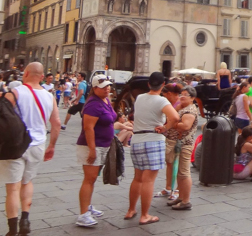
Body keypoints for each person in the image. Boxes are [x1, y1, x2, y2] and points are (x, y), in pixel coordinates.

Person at [0, 62, 60, 236]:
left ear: (25, 74)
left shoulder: (15, 93)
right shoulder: (49, 97)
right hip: (38, 145)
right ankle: (25, 218)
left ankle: (12, 229)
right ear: (41, 77)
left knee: (13, 188)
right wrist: (52, 146)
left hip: (14, 145)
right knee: (27, 182)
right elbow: (56, 124)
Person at [125, 72, 179, 226]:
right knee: (149, 180)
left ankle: (130, 210)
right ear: (162, 86)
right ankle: (145, 215)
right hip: (153, 140)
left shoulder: (140, 98)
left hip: (136, 139)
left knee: (137, 178)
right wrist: (165, 127)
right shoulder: (161, 100)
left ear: (149, 84)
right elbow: (175, 117)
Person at [75, 75, 117, 227]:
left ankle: (87, 206)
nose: (107, 88)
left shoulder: (105, 100)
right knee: (89, 178)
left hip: (103, 144)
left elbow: (110, 119)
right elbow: (88, 127)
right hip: (92, 145)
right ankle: (83, 214)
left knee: (92, 179)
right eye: (103, 86)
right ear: (94, 89)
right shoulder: (93, 104)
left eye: (108, 86)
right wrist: (92, 149)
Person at [159, 86, 199, 210]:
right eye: (181, 94)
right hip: (178, 142)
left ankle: (185, 200)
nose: (182, 96)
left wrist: (173, 123)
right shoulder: (181, 107)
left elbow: (185, 126)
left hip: (183, 144)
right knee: (180, 172)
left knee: (184, 172)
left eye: (185, 95)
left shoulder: (190, 111)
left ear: (192, 98)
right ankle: (181, 197)